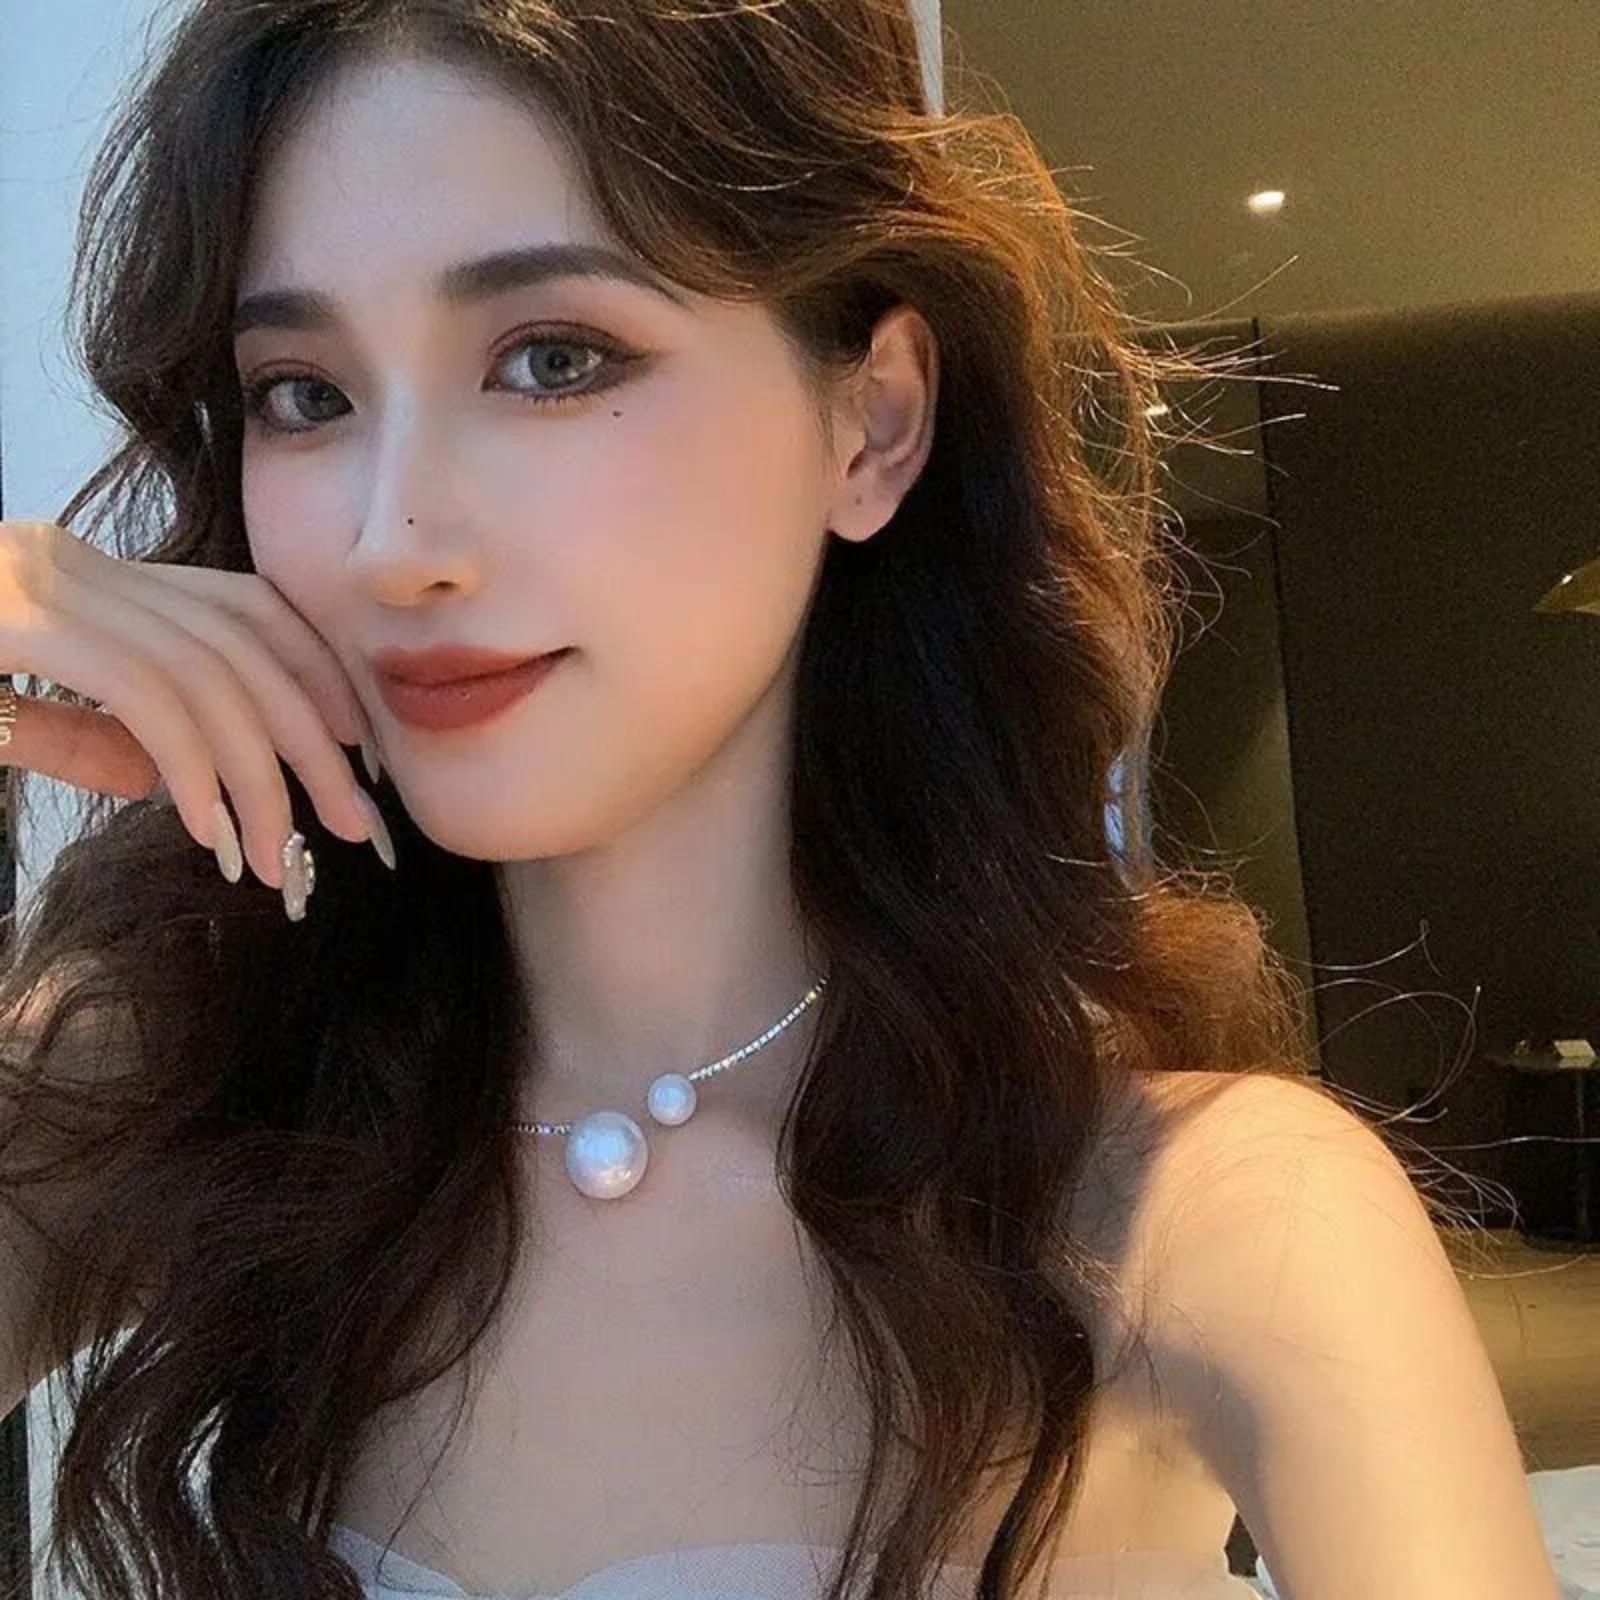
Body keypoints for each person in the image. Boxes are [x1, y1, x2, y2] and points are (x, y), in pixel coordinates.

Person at [0, 2, 1562, 1598]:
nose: (391, 545)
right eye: (304, 392)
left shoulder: (1197, 1217)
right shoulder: (173, 1086)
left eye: (553, 360)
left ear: (871, 423)